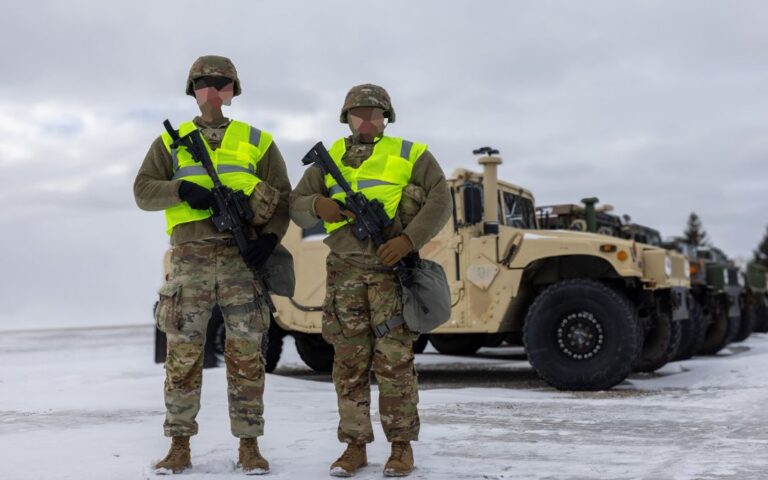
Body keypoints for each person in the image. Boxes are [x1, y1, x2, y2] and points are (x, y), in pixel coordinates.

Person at [134, 55, 291, 475]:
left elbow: (283, 199)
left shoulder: (257, 140)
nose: (213, 90)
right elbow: (143, 192)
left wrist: (270, 240)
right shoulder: (171, 141)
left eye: (222, 84)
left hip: (243, 258)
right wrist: (183, 189)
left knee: (247, 356)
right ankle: (179, 445)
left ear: (232, 92)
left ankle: (249, 446)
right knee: (182, 355)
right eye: (204, 83)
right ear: (193, 90)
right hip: (191, 258)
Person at [289, 84, 451, 477]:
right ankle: (355, 447)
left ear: (386, 118)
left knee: (395, 361)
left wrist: (408, 240)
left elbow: (440, 199)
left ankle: (401, 448)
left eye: (375, 113)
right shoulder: (326, 163)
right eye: (359, 113)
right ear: (347, 118)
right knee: (348, 362)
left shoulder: (411, 154)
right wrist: (318, 205)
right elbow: (295, 207)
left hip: (391, 272)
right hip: (344, 271)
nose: (367, 120)